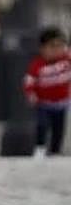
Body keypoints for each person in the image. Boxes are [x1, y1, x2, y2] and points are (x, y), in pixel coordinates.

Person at [25, 27, 71, 157]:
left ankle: (55, 151)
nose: (57, 50)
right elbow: (29, 81)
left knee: (59, 129)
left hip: (61, 104)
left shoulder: (66, 61)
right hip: (43, 103)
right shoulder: (38, 65)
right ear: (43, 49)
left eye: (60, 46)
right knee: (42, 125)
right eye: (52, 47)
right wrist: (31, 94)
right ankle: (40, 147)